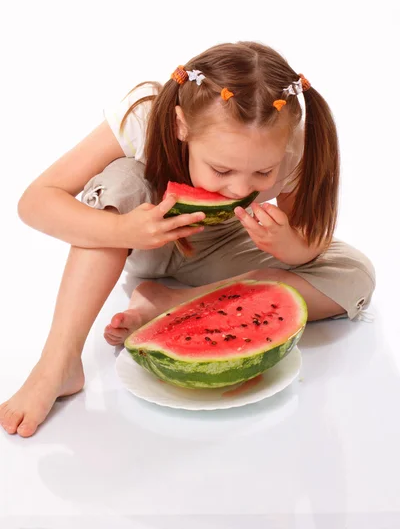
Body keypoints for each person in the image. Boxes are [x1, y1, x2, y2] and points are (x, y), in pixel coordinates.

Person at [0, 41, 376, 438]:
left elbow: (309, 242)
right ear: (182, 125)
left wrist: (287, 245)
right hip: (140, 237)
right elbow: (35, 201)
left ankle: (172, 303)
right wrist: (122, 231)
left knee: (354, 272)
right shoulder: (144, 115)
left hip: (223, 251)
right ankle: (58, 363)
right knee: (122, 180)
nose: (239, 189)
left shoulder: (292, 141)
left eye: (262, 174)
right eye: (221, 169)